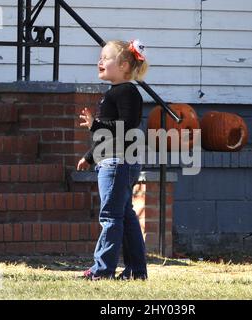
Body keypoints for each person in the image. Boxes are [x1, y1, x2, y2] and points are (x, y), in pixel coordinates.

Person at [77, 39, 149, 280]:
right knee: (125, 216)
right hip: (113, 159)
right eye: (100, 57)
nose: (100, 61)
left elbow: (127, 126)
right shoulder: (115, 92)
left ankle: (102, 269)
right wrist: (90, 156)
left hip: (118, 162)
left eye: (106, 58)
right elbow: (107, 138)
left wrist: (95, 124)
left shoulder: (127, 91)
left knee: (110, 216)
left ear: (125, 65)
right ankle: (136, 271)